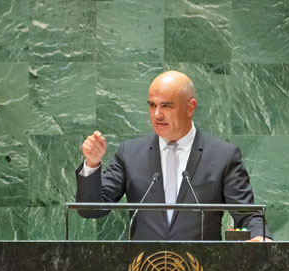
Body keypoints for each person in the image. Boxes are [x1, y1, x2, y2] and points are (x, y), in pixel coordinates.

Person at [76, 70, 272, 241]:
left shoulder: (222, 155)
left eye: (166, 106)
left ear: (190, 107)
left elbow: (247, 214)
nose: (157, 114)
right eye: (152, 105)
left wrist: (259, 236)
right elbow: (92, 209)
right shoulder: (129, 154)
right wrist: (92, 164)